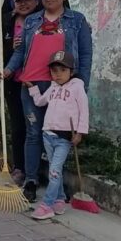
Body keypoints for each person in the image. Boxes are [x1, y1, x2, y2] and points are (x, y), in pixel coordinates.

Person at [2, 0, 93, 203]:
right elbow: (21, 51)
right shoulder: (32, 20)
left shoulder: (77, 20)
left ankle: (57, 184)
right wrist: (9, 69)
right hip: (31, 85)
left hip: (61, 86)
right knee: (34, 133)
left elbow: (85, 54)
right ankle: (31, 180)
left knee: (60, 136)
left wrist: (81, 83)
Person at [25, 51, 89, 219]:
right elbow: (40, 102)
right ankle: (59, 200)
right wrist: (32, 88)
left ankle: (46, 205)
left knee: (53, 171)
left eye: (63, 70)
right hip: (48, 135)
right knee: (56, 170)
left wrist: (80, 133)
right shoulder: (52, 87)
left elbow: (84, 111)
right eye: (54, 71)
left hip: (64, 138)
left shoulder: (77, 88)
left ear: (71, 71)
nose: (58, 74)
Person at [0, 0, 40, 183]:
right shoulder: (7, 22)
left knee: (36, 127)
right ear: (13, 3)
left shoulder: (42, 20)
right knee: (18, 126)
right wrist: (10, 47)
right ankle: (19, 167)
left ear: (35, 1)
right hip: (13, 83)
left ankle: (35, 170)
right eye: (19, 0)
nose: (23, 4)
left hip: (36, 82)